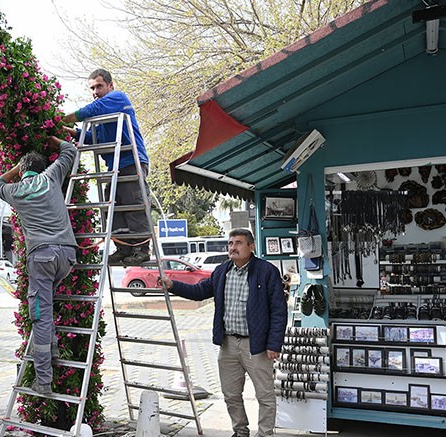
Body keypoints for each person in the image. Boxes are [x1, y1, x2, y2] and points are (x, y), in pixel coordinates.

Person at [160, 229, 287, 437]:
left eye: (238, 243)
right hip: (228, 344)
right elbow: (199, 291)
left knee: (264, 395)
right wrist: (172, 285)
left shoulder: (266, 271)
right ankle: (240, 431)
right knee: (231, 394)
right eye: (230, 243)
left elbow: (279, 310)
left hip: (256, 346)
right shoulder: (222, 271)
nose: (233, 247)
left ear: (251, 246)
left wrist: (274, 344)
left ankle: (265, 434)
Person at [0, 135, 78, 395]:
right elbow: (70, 150)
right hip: (68, 256)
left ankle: (43, 381)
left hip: (41, 257)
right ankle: (50, 346)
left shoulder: (15, 191)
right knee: (48, 307)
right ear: (42, 167)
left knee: (40, 317)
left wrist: (16, 169)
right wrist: (54, 140)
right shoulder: (51, 177)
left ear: (22, 172)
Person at [63, 68, 150, 265]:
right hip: (114, 167)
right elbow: (94, 137)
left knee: (133, 205)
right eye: (92, 88)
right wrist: (65, 130)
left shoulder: (117, 99)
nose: (95, 91)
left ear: (110, 85)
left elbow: (88, 111)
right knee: (114, 208)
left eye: (99, 86)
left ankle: (142, 249)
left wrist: (58, 118)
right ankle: (123, 248)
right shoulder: (102, 119)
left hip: (131, 163)